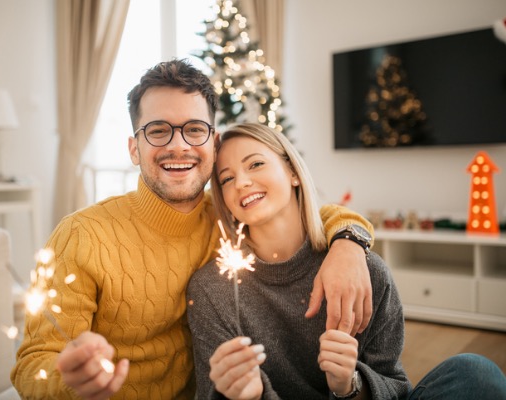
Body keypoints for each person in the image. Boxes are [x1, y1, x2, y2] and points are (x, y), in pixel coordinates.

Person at [11, 59, 376, 400]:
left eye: (194, 129)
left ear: (214, 144)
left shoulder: (228, 215)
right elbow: (31, 364)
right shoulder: (81, 236)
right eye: (157, 131)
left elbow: (300, 208)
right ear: (134, 149)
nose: (178, 145)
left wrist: (349, 244)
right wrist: (70, 379)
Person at [186, 123, 506, 399]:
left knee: (475, 374)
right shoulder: (211, 290)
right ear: (224, 201)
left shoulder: (365, 272)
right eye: (226, 179)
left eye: (255, 164)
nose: (241, 182)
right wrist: (249, 396)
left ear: (294, 173)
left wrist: (349, 385)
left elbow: (394, 386)